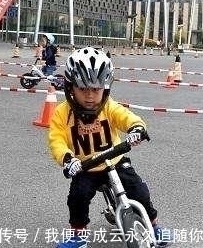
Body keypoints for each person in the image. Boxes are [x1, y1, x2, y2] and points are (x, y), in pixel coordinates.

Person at [47, 47, 173, 248]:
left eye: (96, 90)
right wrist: (68, 159)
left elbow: (125, 117)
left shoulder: (108, 106)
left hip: (114, 161)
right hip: (85, 166)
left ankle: (155, 226)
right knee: (77, 197)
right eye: (83, 89)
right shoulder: (63, 113)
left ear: (105, 89)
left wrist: (137, 128)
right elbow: (57, 140)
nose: (90, 96)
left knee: (139, 191)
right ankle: (78, 236)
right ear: (71, 88)